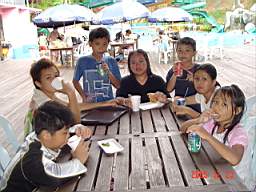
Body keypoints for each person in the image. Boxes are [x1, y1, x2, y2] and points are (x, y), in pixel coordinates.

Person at [2, 101, 91, 192]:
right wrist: (78, 161)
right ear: (46, 135)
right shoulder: (31, 159)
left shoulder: (41, 135)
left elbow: (67, 131)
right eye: (65, 133)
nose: (68, 135)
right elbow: (54, 176)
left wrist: (79, 128)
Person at [24, 58, 118, 137]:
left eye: (56, 76)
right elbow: (75, 121)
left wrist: (105, 103)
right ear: (38, 83)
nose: (55, 80)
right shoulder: (44, 103)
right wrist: (71, 92)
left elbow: (72, 106)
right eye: (48, 78)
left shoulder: (46, 94)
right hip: (41, 151)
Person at [181, 85, 248, 166]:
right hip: (214, 166)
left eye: (224, 104)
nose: (216, 107)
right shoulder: (212, 123)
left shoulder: (238, 132)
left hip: (232, 175)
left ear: (237, 110)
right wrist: (198, 120)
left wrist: (208, 136)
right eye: (215, 102)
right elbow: (183, 128)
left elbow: (235, 159)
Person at [73, 27, 121, 103]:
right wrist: (83, 96)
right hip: (90, 103)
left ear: (108, 44)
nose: (101, 47)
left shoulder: (111, 61)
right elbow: (75, 81)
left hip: (108, 103)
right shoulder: (82, 61)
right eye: (97, 43)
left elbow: (118, 85)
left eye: (104, 44)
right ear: (90, 44)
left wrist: (108, 71)